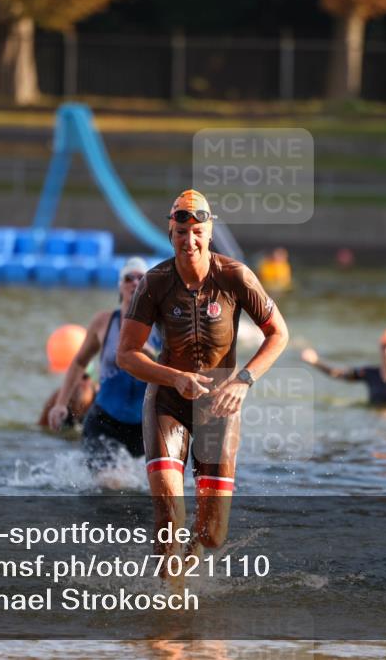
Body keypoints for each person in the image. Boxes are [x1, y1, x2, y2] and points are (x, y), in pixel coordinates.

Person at [117, 189, 289, 565]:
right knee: (169, 517)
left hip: (219, 409)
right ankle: (171, 595)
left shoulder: (235, 276)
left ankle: (187, 566)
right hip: (168, 403)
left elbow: (278, 334)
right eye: (181, 233)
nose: (190, 241)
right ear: (171, 235)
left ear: (210, 234)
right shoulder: (154, 283)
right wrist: (174, 377)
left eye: (198, 233)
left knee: (212, 534)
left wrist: (244, 380)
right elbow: (126, 354)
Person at [46, 257, 162, 471]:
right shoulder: (103, 322)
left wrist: (152, 356)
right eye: (128, 278)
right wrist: (61, 403)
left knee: (141, 486)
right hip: (104, 422)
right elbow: (79, 362)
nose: (134, 282)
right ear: (120, 286)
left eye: (140, 278)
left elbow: (177, 370)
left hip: (146, 426)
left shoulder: (162, 326)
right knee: (109, 483)